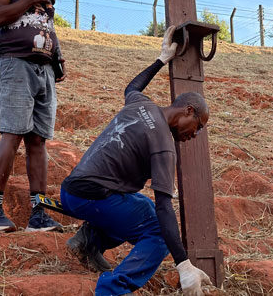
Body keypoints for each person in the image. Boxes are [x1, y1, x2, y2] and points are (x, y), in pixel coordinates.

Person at [60, 26, 213, 296]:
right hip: (90, 198)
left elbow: (132, 86)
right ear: (188, 110)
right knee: (157, 231)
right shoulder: (164, 145)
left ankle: (88, 241)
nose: (195, 134)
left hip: (72, 190)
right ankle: (112, 290)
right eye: (198, 125)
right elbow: (165, 208)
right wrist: (184, 264)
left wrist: (161, 59)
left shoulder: (142, 105)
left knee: (141, 204)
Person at [0, 0, 74, 233]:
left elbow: (46, 26)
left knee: (38, 140)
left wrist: (57, 56)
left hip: (43, 69)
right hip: (15, 63)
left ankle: (39, 213)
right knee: (13, 133)